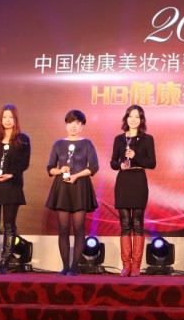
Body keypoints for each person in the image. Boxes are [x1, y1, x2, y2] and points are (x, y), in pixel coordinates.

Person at [45, 110, 99, 276]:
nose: (73, 126)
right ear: (66, 124)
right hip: (62, 188)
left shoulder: (87, 143)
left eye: (77, 123)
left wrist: (76, 176)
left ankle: (74, 267)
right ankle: (65, 267)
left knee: (79, 228)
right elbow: (50, 168)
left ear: (82, 126)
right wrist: (60, 170)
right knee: (63, 228)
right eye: (70, 123)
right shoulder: (58, 144)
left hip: (80, 186)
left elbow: (94, 167)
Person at [0, 104, 31, 274]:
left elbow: (24, 164)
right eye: (4, 117)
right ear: (0, 119)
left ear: (15, 119)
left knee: (9, 226)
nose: (7, 120)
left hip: (12, 185)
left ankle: (4, 263)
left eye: (10, 117)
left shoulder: (23, 139)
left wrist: (10, 175)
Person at [110, 105, 156, 277]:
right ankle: (126, 265)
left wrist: (135, 156)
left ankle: (136, 266)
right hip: (123, 181)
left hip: (138, 181)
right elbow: (113, 162)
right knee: (124, 224)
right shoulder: (119, 139)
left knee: (137, 223)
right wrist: (120, 164)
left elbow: (152, 163)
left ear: (141, 119)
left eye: (137, 116)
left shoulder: (147, 139)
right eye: (130, 116)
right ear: (126, 118)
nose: (133, 119)